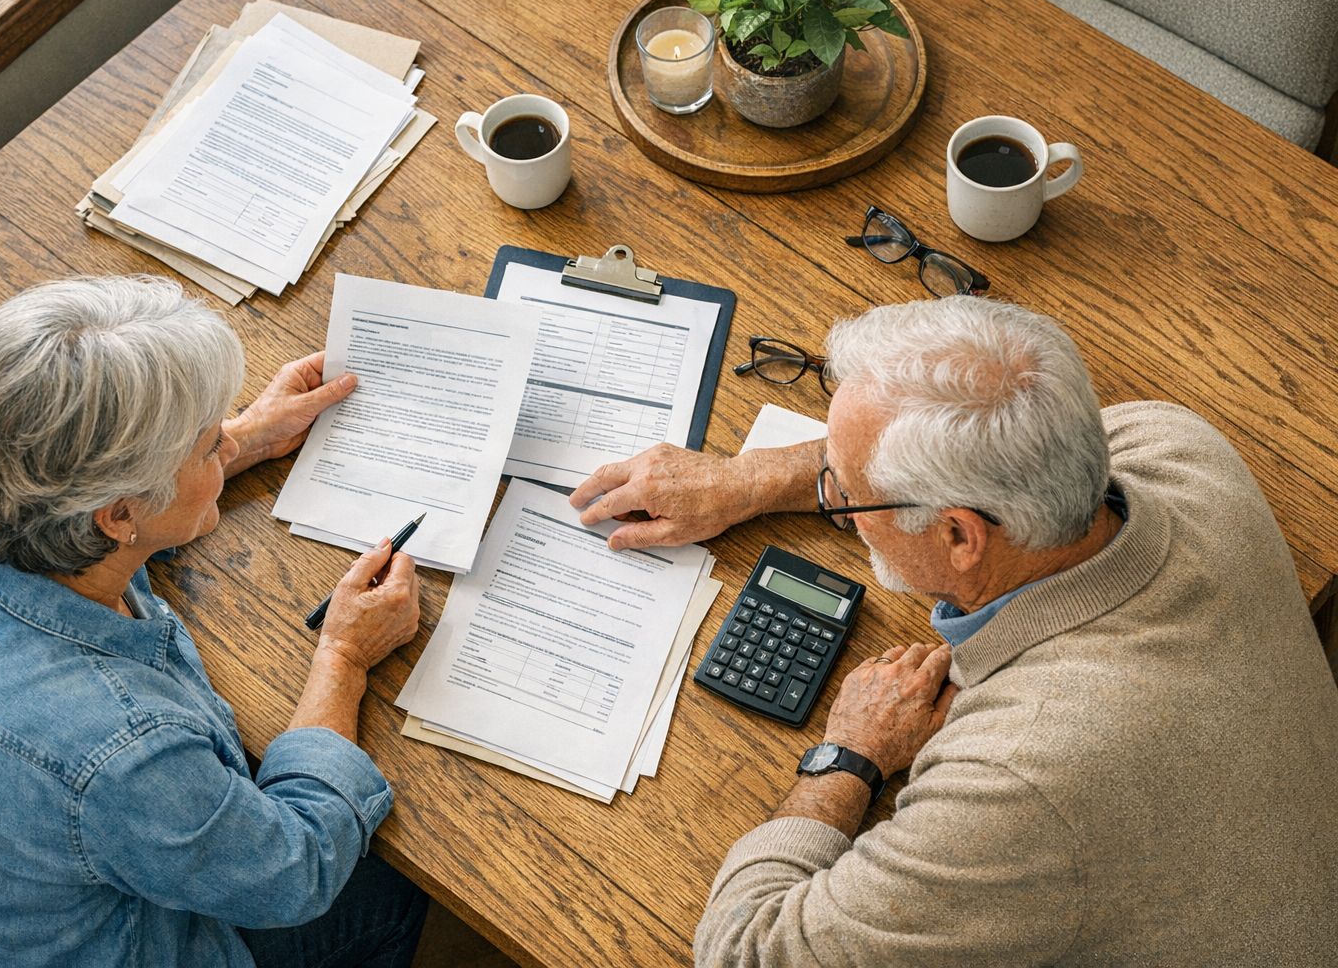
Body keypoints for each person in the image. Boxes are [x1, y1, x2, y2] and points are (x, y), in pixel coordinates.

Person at [569, 296, 1338, 965]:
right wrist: (754, 476)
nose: (832, 500)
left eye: (845, 491)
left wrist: (851, 758)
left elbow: (745, 951)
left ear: (960, 538)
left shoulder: (1016, 783)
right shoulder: (1176, 445)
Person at [0, 276, 430, 968]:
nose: (225, 449)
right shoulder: (123, 750)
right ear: (118, 514)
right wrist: (343, 659)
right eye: (209, 447)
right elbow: (294, 870)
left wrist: (244, 436)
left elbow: (79, 523)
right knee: (391, 887)